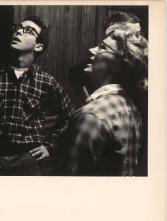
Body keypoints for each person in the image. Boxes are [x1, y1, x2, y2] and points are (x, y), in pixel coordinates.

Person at [0, 16, 75, 176]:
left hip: (26, 162)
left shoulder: (47, 81)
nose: (18, 32)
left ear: (38, 46)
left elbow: (70, 117)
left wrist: (49, 146)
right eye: (17, 28)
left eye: (28, 31)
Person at [60, 29, 148, 176]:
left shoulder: (92, 116)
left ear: (117, 65)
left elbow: (70, 184)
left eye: (102, 47)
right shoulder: (129, 107)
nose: (92, 50)